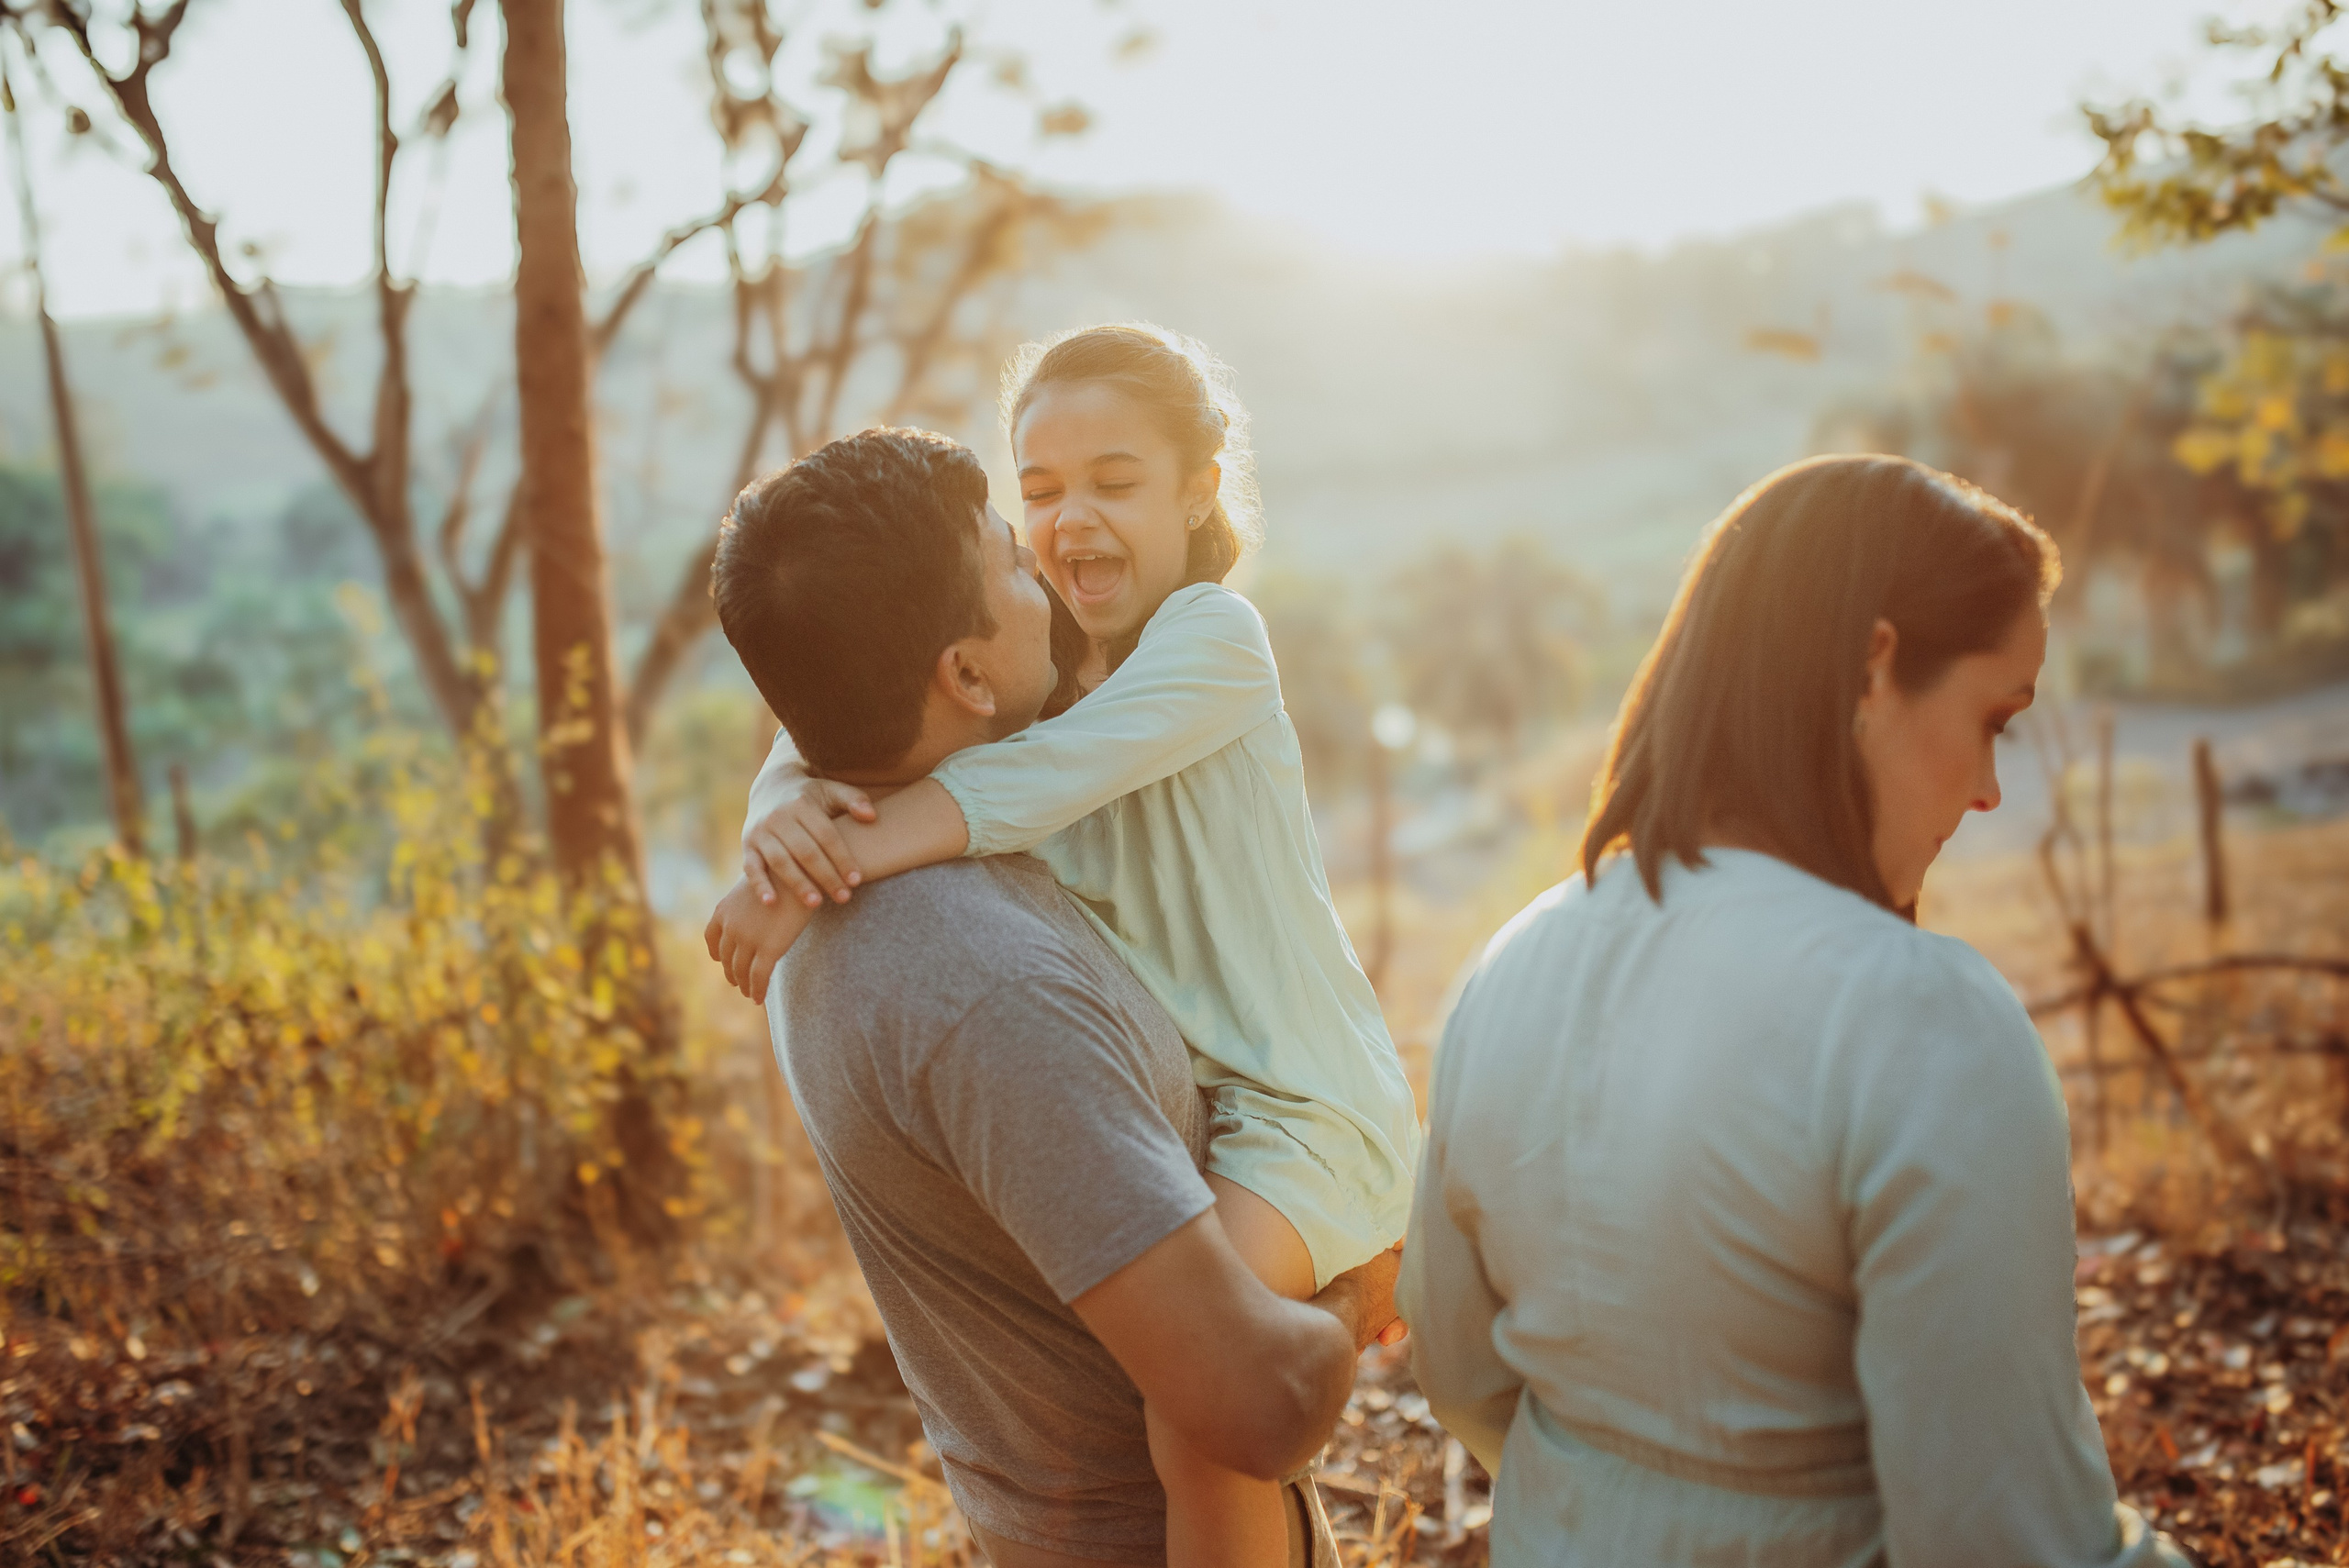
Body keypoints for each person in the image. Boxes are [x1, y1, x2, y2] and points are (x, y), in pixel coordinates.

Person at [1399, 455, 2194, 1568]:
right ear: (1874, 666)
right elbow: (2010, 1536)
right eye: (1993, 720)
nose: (1985, 790)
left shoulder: (1511, 961)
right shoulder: (1922, 1018)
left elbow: (1459, 1365)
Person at [707, 324, 1419, 1567]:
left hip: (1301, 1102)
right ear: (965, 663)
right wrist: (780, 821)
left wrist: (843, 851)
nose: (1068, 522)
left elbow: (1036, 782)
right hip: (1213, 1106)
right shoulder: (1034, 669)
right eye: (1037, 494)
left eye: (1117, 483)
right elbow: (820, 715)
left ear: (1202, 488)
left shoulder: (1209, 646)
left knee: (1200, 1413)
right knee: (1200, 1388)